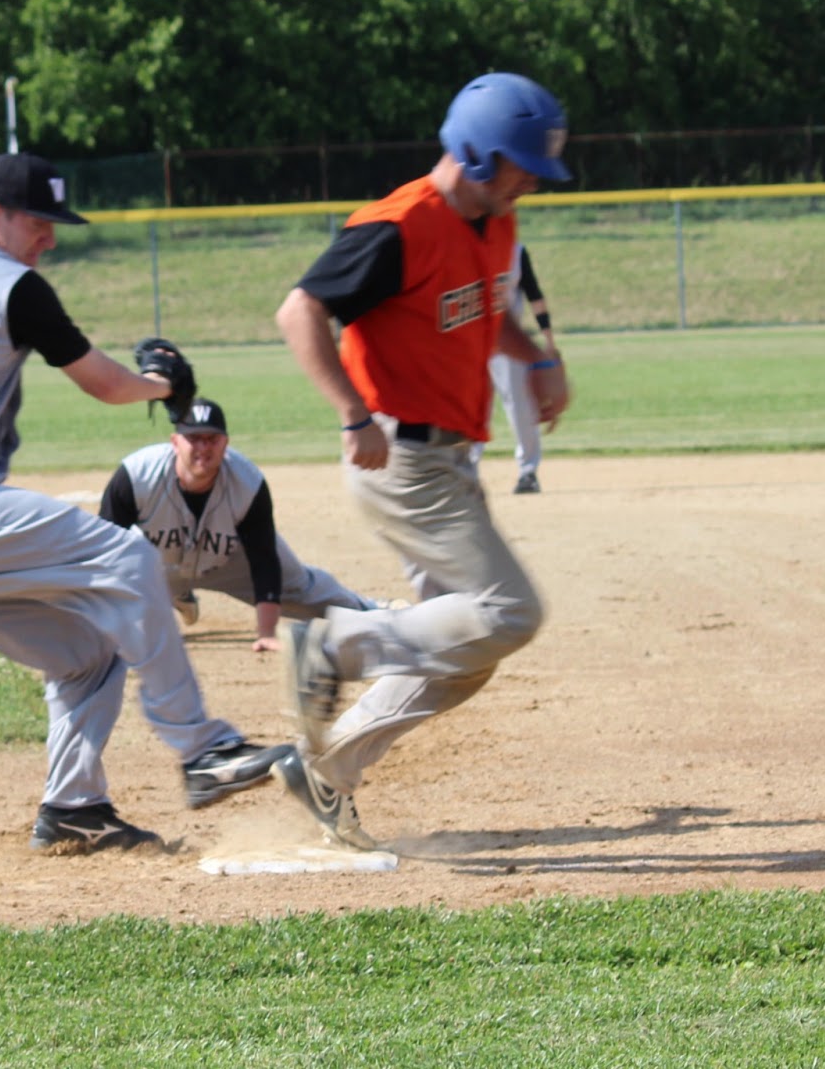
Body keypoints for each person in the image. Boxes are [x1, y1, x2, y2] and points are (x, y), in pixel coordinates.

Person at [0, 152, 290, 853]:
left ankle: (75, 805)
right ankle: (204, 750)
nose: (49, 237)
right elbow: (109, 385)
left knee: (88, 653)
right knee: (126, 555)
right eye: (38, 222)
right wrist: (164, 385)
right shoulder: (11, 283)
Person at [271, 71, 573, 852]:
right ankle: (332, 645)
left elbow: (485, 313)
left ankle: (328, 770)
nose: (532, 180)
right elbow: (300, 309)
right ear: (476, 156)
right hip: (399, 458)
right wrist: (351, 412)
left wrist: (537, 357)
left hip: (452, 461)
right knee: (512, 612)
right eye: (521, 164)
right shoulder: (398, 225)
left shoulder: (494, 225)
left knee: (467, 653)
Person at [98, 397, 390, 654]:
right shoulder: (136, 475)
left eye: (212, 439)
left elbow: (264, 560)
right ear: (175, 442)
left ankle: (376, 614)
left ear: (226, 442)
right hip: (157, 564)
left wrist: (266, 634)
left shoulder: (247, 483)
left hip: (229, 563)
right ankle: (173, 593)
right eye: (194, 438)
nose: (204, 447)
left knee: (302, 587)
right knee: (129, 564)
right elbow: (104, 554)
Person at [472, 244, 558, 494]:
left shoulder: (515, 251)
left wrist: (549, 341)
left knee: (520, 405)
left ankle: (528, 471)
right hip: (470, 342)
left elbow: (535, 296)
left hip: (510, 343)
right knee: (472, 407)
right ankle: (468, 469)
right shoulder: (462, 244)